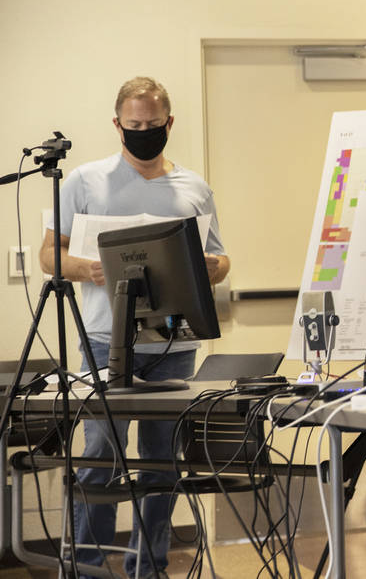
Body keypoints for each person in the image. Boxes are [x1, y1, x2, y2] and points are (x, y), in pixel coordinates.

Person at [39, 76, 231, 578]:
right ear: (117, 124)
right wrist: (87, 268)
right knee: (102, 451)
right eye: (134, 125)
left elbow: (220, 255)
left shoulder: (194, 186)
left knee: (162, 458)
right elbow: (47, 255)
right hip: (106, 341)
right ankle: (85, 567)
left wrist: (217, 267)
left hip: (174, 340)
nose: (143, 132)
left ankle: (150, 566)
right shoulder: (84, 180)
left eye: (152, 125)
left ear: (169, 124)